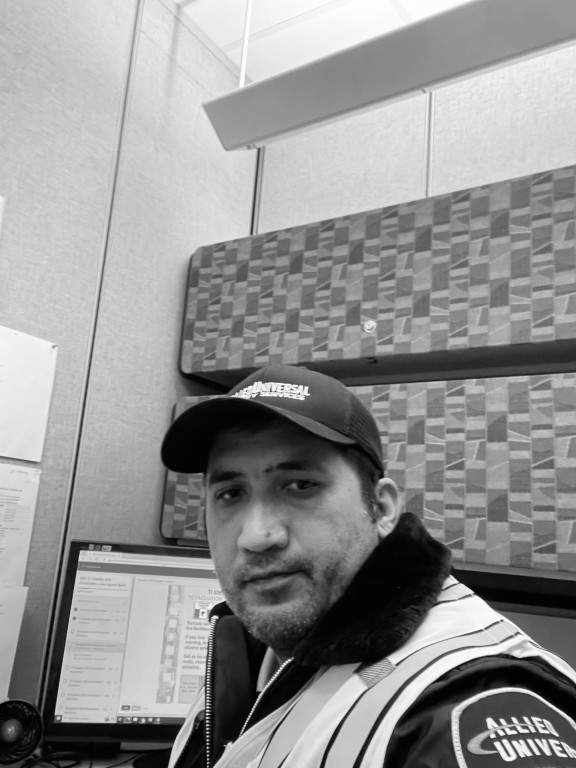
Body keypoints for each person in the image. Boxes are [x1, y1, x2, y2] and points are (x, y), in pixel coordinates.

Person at [161, 363, 576, 768]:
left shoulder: (464, 700)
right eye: (231, 493)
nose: (256, 536)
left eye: (300, 486)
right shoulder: (247, 648)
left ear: (381, 508)